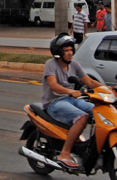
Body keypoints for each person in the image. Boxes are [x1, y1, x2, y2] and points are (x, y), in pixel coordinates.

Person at [42, 34, 104, 169]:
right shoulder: (50, 64)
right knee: (82, 118)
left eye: (71, 50)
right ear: (59, 52)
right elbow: (53, 85)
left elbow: (89, 81)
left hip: (71, 100)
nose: (70, 53)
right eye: (67, 50)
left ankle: (91, 148)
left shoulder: (74, 64)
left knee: (99, 111)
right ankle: (64, 153)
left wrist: (107, 89)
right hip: (55, 102)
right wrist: (70, 91)